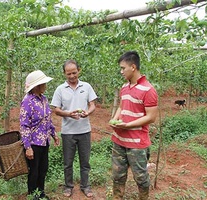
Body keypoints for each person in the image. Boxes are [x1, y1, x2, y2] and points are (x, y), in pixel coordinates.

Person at [109, 51, 158, 200]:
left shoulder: (148, 90)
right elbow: (121, 107)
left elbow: (151, 117)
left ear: (133, 67)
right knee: (117, 176)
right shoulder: (124, 87)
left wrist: (128, 125)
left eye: (123, 68)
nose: (121, 71)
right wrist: (114, 119)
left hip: (137, 143)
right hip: (119, 140)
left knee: (141, 178)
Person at [50, 60, 97, 198]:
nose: (72, 76)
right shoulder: (60, 89)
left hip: (84, 130)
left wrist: (88, 112)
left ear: (79, 71)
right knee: (67, 162)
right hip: (68, 132)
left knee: (85, 161)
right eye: (68, 73)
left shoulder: (86, 86)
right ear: (64, 73)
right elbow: (56, 110)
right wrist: (68, 114)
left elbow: (92, 104)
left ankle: (85, 186)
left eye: (74, 73)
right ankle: (68, 186)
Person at [20, 70, 60, 200]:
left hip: (44, 141)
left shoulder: (44, 99)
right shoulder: (27, 101)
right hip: (33, 143)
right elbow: (24, 125)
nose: (45, 86)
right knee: (34, 171)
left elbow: (48, 119)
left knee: (43, 169)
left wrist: (54, 134)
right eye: (43, 83)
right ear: (37, 86)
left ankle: (41, 193)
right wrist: (28, 147)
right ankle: (33, 195)